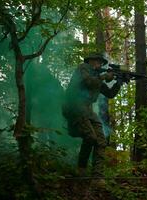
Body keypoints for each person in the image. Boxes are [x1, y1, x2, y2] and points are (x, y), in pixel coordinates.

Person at [62, 52, 122, 187]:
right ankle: (81, 170)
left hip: (87, 109)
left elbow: (110, 94)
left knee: (101, 141)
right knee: (91, 137)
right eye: (97, 61)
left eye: (101, 62)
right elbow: (88, 82)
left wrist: (119, 82)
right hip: (74, 105)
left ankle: (97, 177)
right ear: (90, 61)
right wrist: (105, 76)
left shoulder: (97, 77)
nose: (99, 64)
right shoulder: (83, 67)